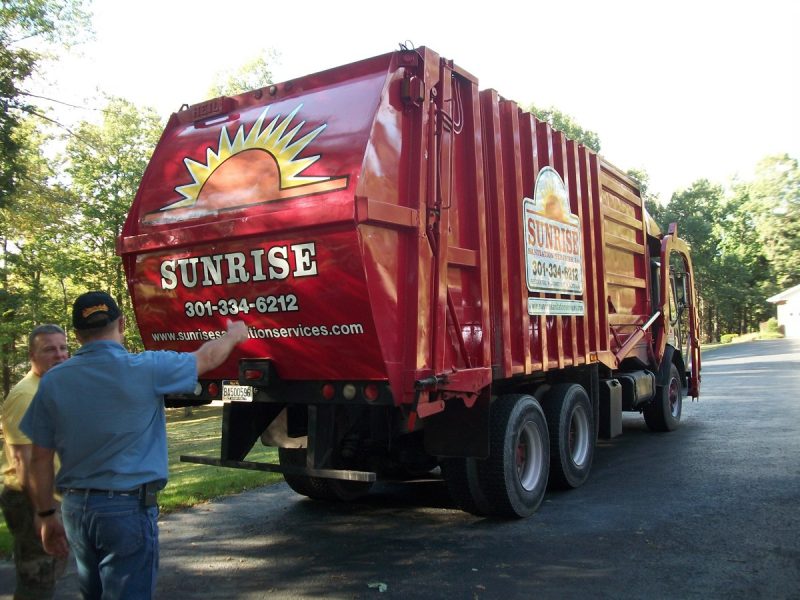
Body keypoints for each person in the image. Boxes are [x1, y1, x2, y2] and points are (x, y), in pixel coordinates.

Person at [20, 291, 249, 599]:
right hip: (125, 509)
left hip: (76, 510)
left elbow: (39, 458)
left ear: (76, 334)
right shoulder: (147, 368)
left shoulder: (53, 381)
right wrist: (234, 334)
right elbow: (208, 357)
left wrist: (46, 516)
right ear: (122, 323)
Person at [0, 324, 70, 600]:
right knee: (37, 581)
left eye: (63, 348)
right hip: (30, 499)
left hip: (48, 498)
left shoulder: (49, 387)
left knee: (51, 571)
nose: (60, 355)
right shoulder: (25, 395)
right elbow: (23, 462)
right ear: (32, 355)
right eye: (49, 349)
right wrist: (44, 512)